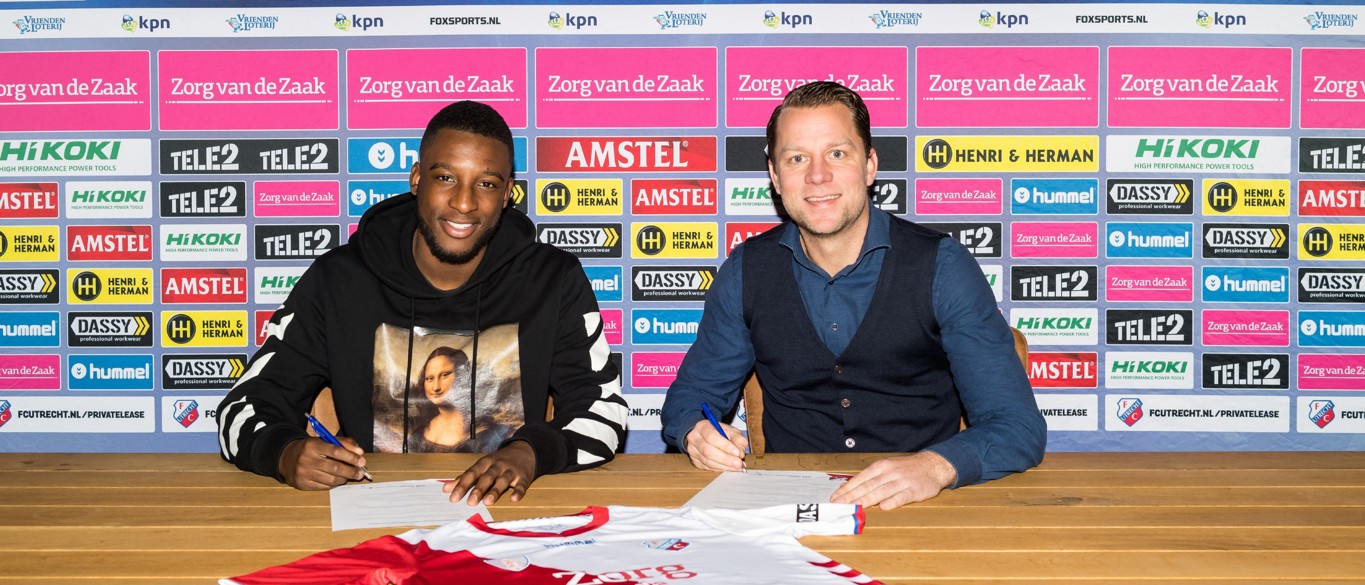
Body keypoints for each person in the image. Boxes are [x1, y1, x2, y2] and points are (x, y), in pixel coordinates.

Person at [218, 100, 627, 506]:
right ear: (417, 180)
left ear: (507, 194)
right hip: (373, 510)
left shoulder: (552, 278)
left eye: (486, 184)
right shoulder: (339, 279)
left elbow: (605, 411)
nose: (464, 203)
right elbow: (243, 405)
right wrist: (284, 452)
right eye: (446, 177)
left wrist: (530, 451)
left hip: (508, 512)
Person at [660, 81, 1046, 510]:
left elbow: (1016, 426)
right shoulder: (746, 270)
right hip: (787, 509)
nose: (817, 176)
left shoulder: (943, 266)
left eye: (837, 154)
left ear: (869, 166)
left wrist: (935, 467)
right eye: (797, 158)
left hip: (920, 508)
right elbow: (690, 397)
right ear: (775, 176)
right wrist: (695, 431)